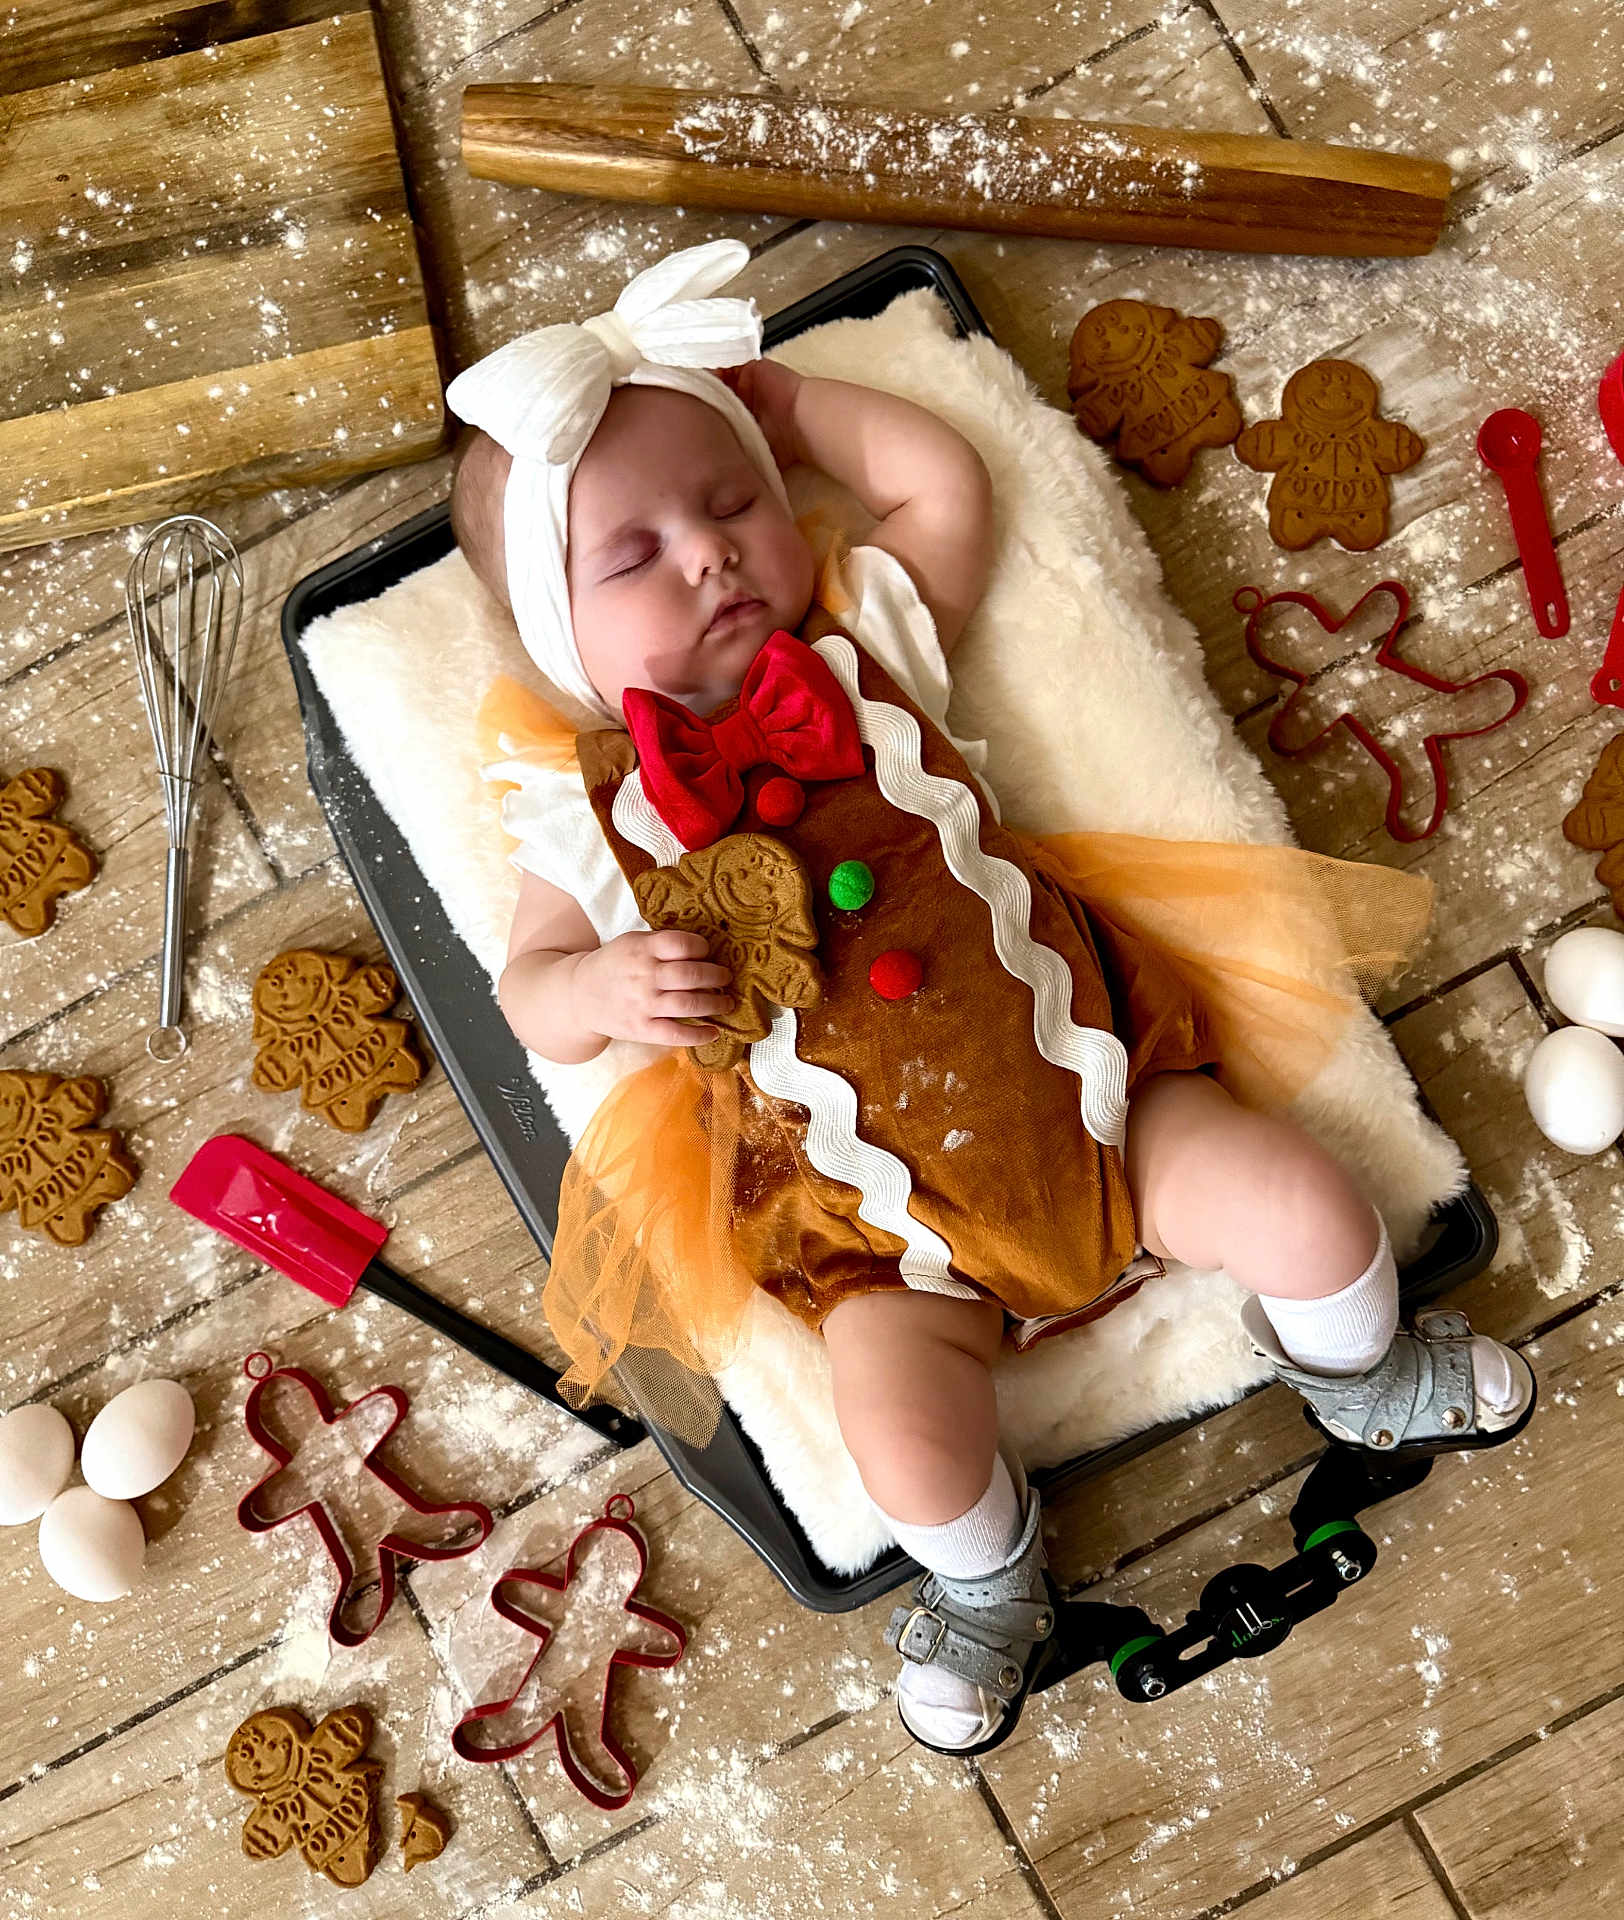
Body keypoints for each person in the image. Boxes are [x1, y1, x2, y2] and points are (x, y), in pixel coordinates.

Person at [446, 240, 1534, 1754]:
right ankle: (988, 1584)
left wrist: (789, 402)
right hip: (883, 1242)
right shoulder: (593, 816)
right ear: (563, 636)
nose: (708, 553)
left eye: (733, 499)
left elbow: (945, 487)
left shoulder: (866, 651)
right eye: (634, 555)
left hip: (1101, 1103)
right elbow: (532, 998)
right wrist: (611, 983)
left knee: (1306, 1207)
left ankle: (1363, 1374)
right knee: (899, 1438)